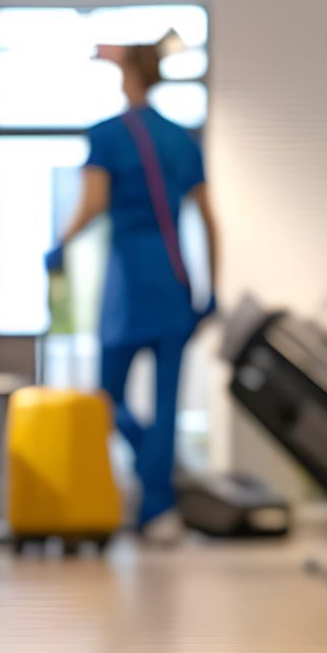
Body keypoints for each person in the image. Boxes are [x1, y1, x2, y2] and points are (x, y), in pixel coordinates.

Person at [44, 41, 218, 545]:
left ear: (127, 78)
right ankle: (158, 503)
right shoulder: (183, 142)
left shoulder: (107, 136)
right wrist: (212, 289)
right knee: (167, 403)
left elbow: (94, 203)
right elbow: (209, 219)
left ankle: (151, 480)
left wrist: (59, 244)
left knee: (108, 397)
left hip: (127, 283)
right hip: (174, 280)